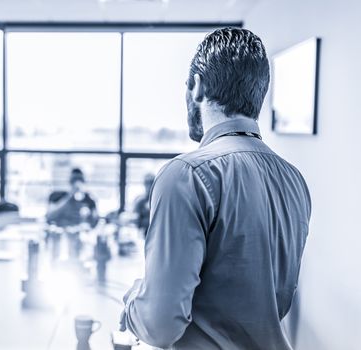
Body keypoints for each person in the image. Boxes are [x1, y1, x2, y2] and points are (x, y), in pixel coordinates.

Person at [120, 28, 312, 350]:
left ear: (197, 85)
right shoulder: (295, 181)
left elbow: (159, 325)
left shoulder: (186, 175)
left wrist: (133, 298)